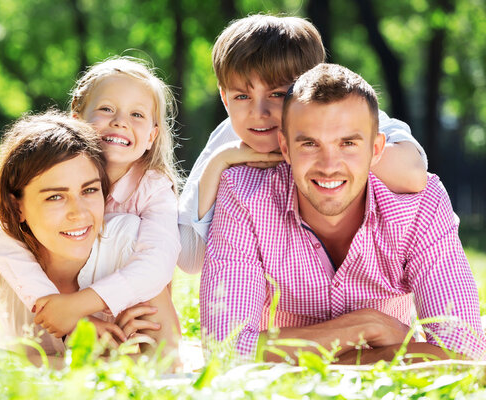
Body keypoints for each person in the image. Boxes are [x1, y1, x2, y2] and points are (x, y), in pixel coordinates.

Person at [200, 63, 486, 363]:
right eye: (310, 144)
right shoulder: (244, 195)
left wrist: (311, 358)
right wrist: (369, 327)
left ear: (376, 149)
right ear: (285, 147)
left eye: (347, 144)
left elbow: (465, 353)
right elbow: (224, 348)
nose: (329, 165)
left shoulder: (420, 205)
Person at [178, 14, 428, 274]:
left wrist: (328, 148)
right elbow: (189, 258)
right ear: (224, 98)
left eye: (276, 94)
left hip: (364, 278)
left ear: (311, 88)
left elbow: (414, 175)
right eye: (242, 96)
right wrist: (219, 161)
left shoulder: (350, 119)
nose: (258, 112)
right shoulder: (229, 138)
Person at [0, 112, 180, 367]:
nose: (79, 213)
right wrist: (100, 363)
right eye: (55, 196)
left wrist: (24, 362)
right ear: (17, 205)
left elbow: (168, 365)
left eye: (89, 190)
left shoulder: (130, 244)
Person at [0, 58, 182, 342]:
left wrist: (81, 306)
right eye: (106, 109)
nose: (120, 121)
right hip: (54, 314)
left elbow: (157, 262)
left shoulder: (153, 189)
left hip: (130, 311)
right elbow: (5, 232)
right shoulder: (52, 171)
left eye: (137, 115)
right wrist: (58, 307)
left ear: (152, 136)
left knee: (129, 234)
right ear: (77, 120)